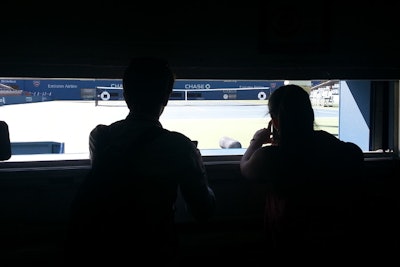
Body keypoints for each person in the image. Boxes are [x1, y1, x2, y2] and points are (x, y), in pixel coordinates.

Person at [64, 57, 216, 266]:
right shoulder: (179, 146)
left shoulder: (100, 136)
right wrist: (197, 165)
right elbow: (203, 211)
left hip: (102, 248)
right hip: (155, 249)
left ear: (126, 94)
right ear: (166, 97)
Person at [240, 84, 367, 262]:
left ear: (275, 122)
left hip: (288, 242)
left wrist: (256, 141)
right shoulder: (326, 143)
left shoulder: (270, 157)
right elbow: (355, 155)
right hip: (335, 241)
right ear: (310, 115)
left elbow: (245, 167)